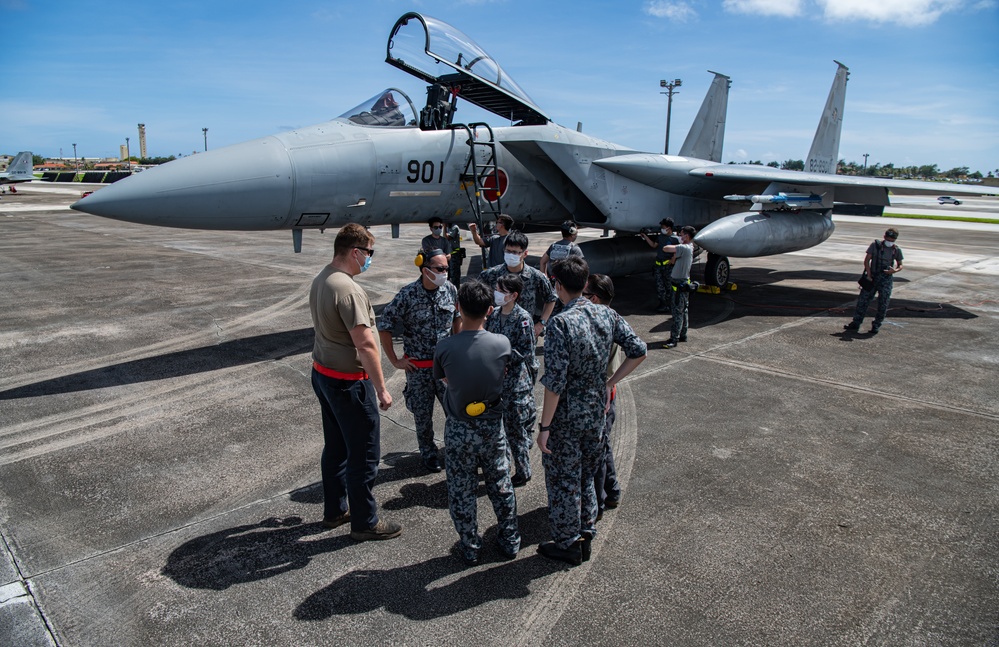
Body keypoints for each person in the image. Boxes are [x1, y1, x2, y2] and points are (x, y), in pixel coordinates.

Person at [536, 256, 647, 566]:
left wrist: (545, 427)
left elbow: (554, 382)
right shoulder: (605, 314)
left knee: (562, 481)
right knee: (587, 474)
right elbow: (639, 350)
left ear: (557, 284)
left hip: (567, 418)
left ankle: (568, 543)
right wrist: (610, 380)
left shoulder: (560, 323)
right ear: (584, 284)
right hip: (596, 412)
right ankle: (585, 532)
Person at [309, 223, 401, 542]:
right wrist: (381, 388)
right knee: (364, 454)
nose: (370, 260)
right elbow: (365, 344)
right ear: (356, 252)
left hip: (324, 375)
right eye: (369, 254)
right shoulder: (348, 289)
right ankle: (365, 521)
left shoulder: (323, 278)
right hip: (348, 383)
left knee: (336, 447)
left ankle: (335, 510)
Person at [433, 281, 520, 565]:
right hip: (492, 427)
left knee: (461, 489)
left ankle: (470, 545)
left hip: (459, 427)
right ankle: (510, 540)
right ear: (490, 310)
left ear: (458, 308)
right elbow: (513, 370)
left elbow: (444, 379)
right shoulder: (502, 343)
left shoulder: (444, 347)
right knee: (501, 485)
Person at [377, 249, 461, 473]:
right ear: (425, 270)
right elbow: (384, 325)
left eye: (446, 268)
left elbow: (457, 319)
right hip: (418, 371)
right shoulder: (408, 294)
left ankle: (455, 451)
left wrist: (458, 348)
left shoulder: (450, 290)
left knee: (455, 414)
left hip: (445, 369)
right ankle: (429, 454)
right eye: (440, 269)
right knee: (423, 418)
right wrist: (395, 361)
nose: (445, 272)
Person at [486, 273, 538, 487]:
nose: (497, 293)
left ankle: (524, 470)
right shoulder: (495, 314)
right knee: (500, 430)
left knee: (516, 431)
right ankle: (504, 466)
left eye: (501, 290)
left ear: (514, 295)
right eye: (496, 289)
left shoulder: (523, 318)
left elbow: (526, 350)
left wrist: (503, 358)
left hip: (516, 384)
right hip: (496, 383)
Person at [583, 274, 622, 518]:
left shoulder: (600, 323)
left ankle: (596, 504)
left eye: (585, 295)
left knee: (595, 453)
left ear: (594, 298)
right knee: (604, 444)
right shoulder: (613, 317)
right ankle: (613, 491)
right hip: (608, 392)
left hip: (602, 396)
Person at [479, 230, 557, 338]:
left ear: (525, 253)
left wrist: (541, 324)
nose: (511, 255)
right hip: (495, 334)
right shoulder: (491, 275)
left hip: (524, 336)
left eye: (515, 252)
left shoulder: (535, 276)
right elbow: (476, 298)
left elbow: (551, 298)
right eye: (508, 251)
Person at [845, 228, 904, 335]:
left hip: (886, 279)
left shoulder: (896, 250)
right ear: (884, 236)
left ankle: (876, 325)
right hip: (872, 277)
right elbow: (867, 260)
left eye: (892, 240)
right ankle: (856, 323)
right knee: (863, 301)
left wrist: (894, 270)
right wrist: (869, 274)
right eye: (888, 239)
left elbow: (900, 264)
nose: (890, 241)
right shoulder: (875, 246)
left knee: (883, 303)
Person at [661, 226, 697, 348]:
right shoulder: (688, 248)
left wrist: (674, 241)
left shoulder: (684, 248)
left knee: (677, 313)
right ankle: (683, 334)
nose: (680, 236)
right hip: (683, 284)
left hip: (679, 286)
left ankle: (673, 338)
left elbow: (665, 248)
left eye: (681, 234)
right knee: (684, 311)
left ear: (686, 236)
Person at [640, 217, 680, 312]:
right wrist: (645, 236)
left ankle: (671, 304)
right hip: (659, 265)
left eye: (663, 227)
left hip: (668, 266)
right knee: (659, 286)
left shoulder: (675, 239)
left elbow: (679, 251)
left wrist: (673, 259)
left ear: (669, 228)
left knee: (669, 286)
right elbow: (654, 245)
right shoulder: (661, 237)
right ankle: (663, 304)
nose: (662, 228)